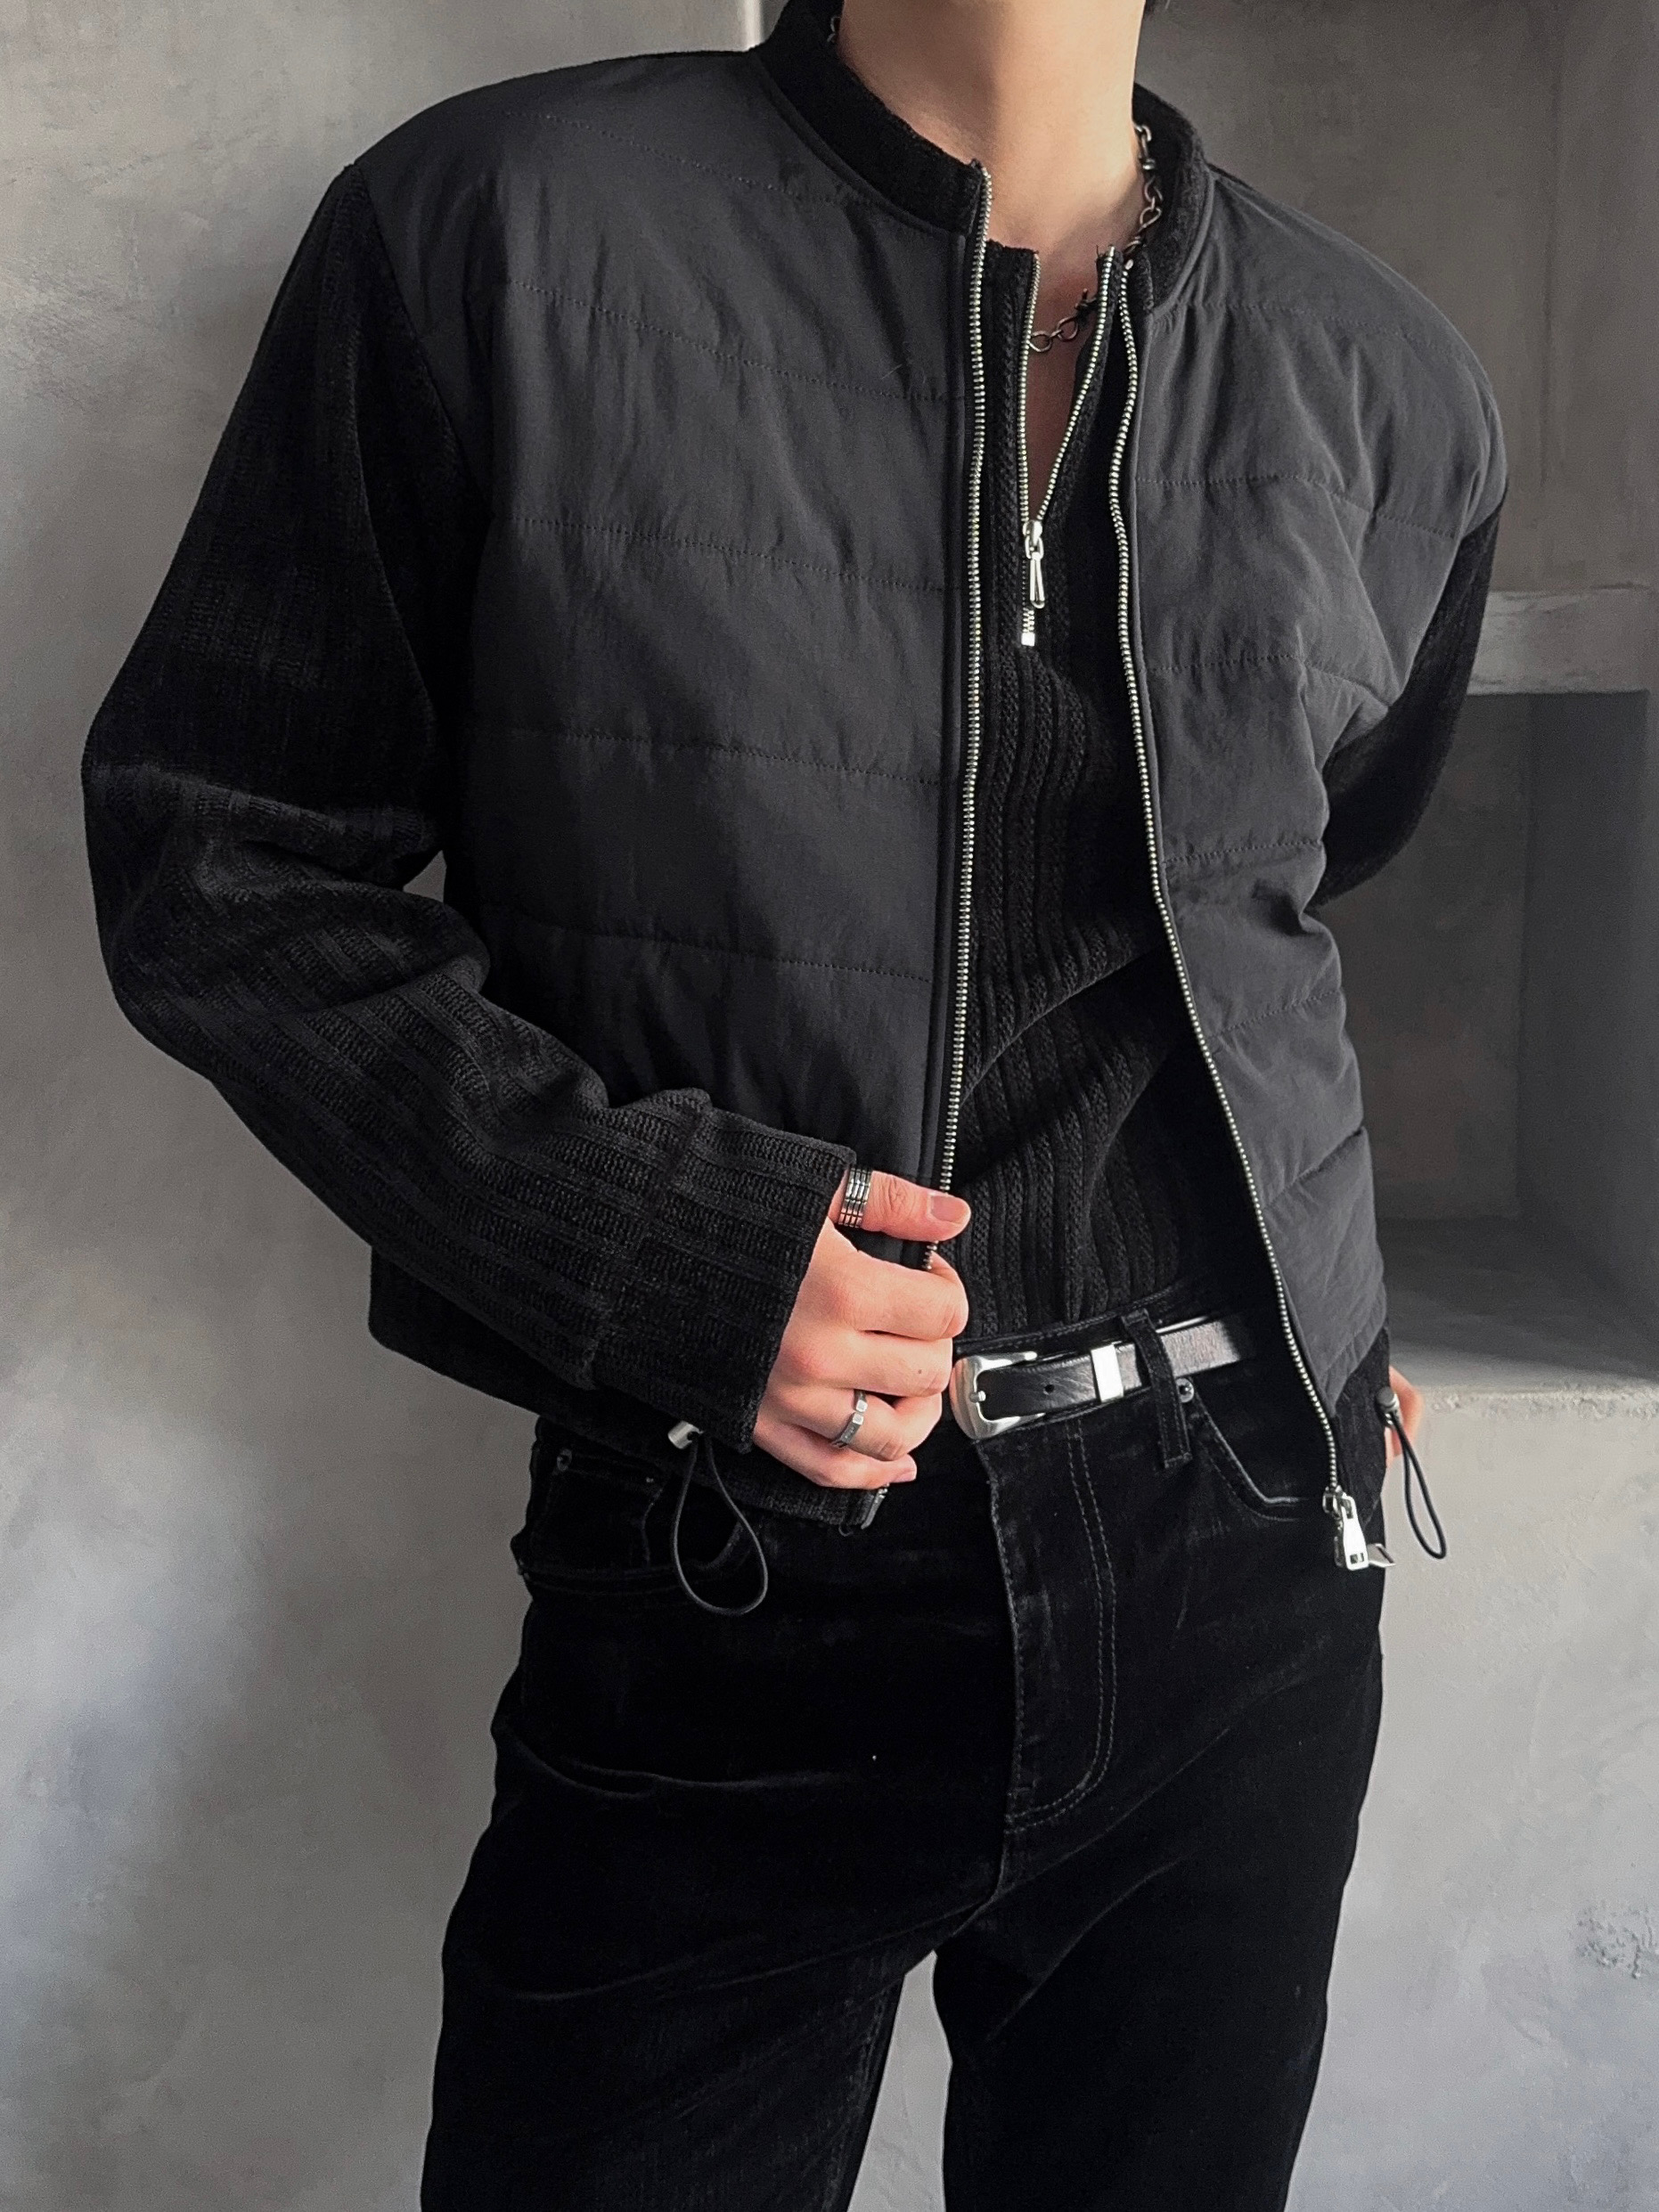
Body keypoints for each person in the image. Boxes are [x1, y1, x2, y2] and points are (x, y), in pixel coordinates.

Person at [81, 0, 1503, 2202]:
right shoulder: (496, 232)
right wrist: (664, 1249)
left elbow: (1285, 898)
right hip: (734, 1558)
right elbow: (223, 858)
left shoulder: (1386, 377)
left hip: (1245, 1573)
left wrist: (1319, 1306)